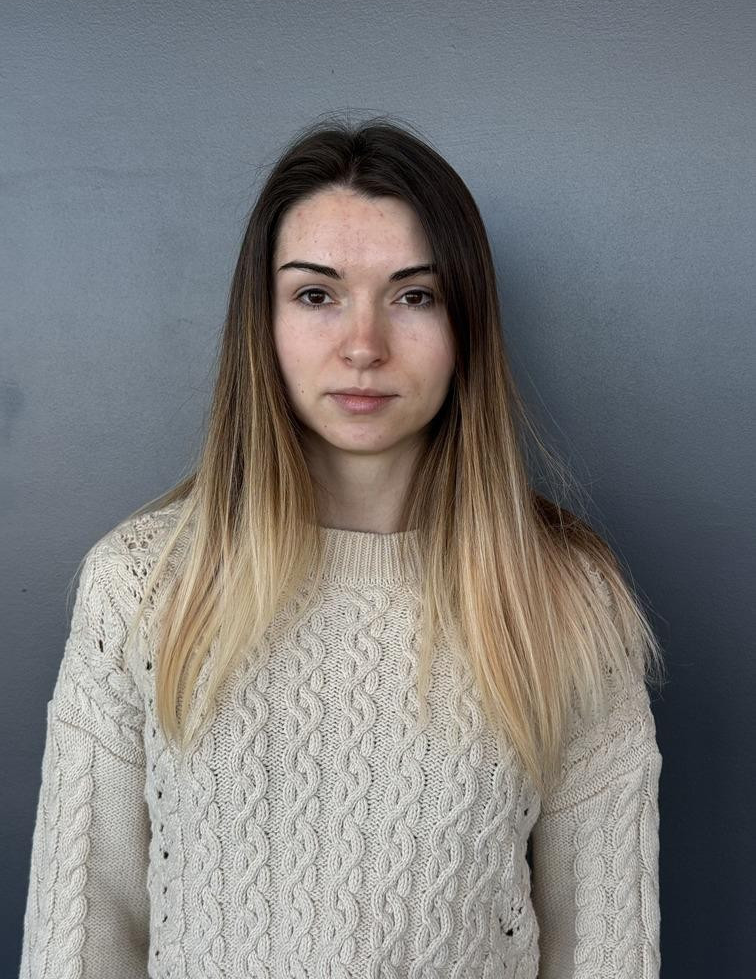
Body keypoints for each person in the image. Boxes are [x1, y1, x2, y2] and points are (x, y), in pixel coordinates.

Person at [18, 114, 665, 978]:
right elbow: (81, 940)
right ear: (263, 322)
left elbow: (604, 950)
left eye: (414, 296)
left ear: (467, 325)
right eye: (317, 295)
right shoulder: (142, 587)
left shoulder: (563, 601)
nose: (364, 346)